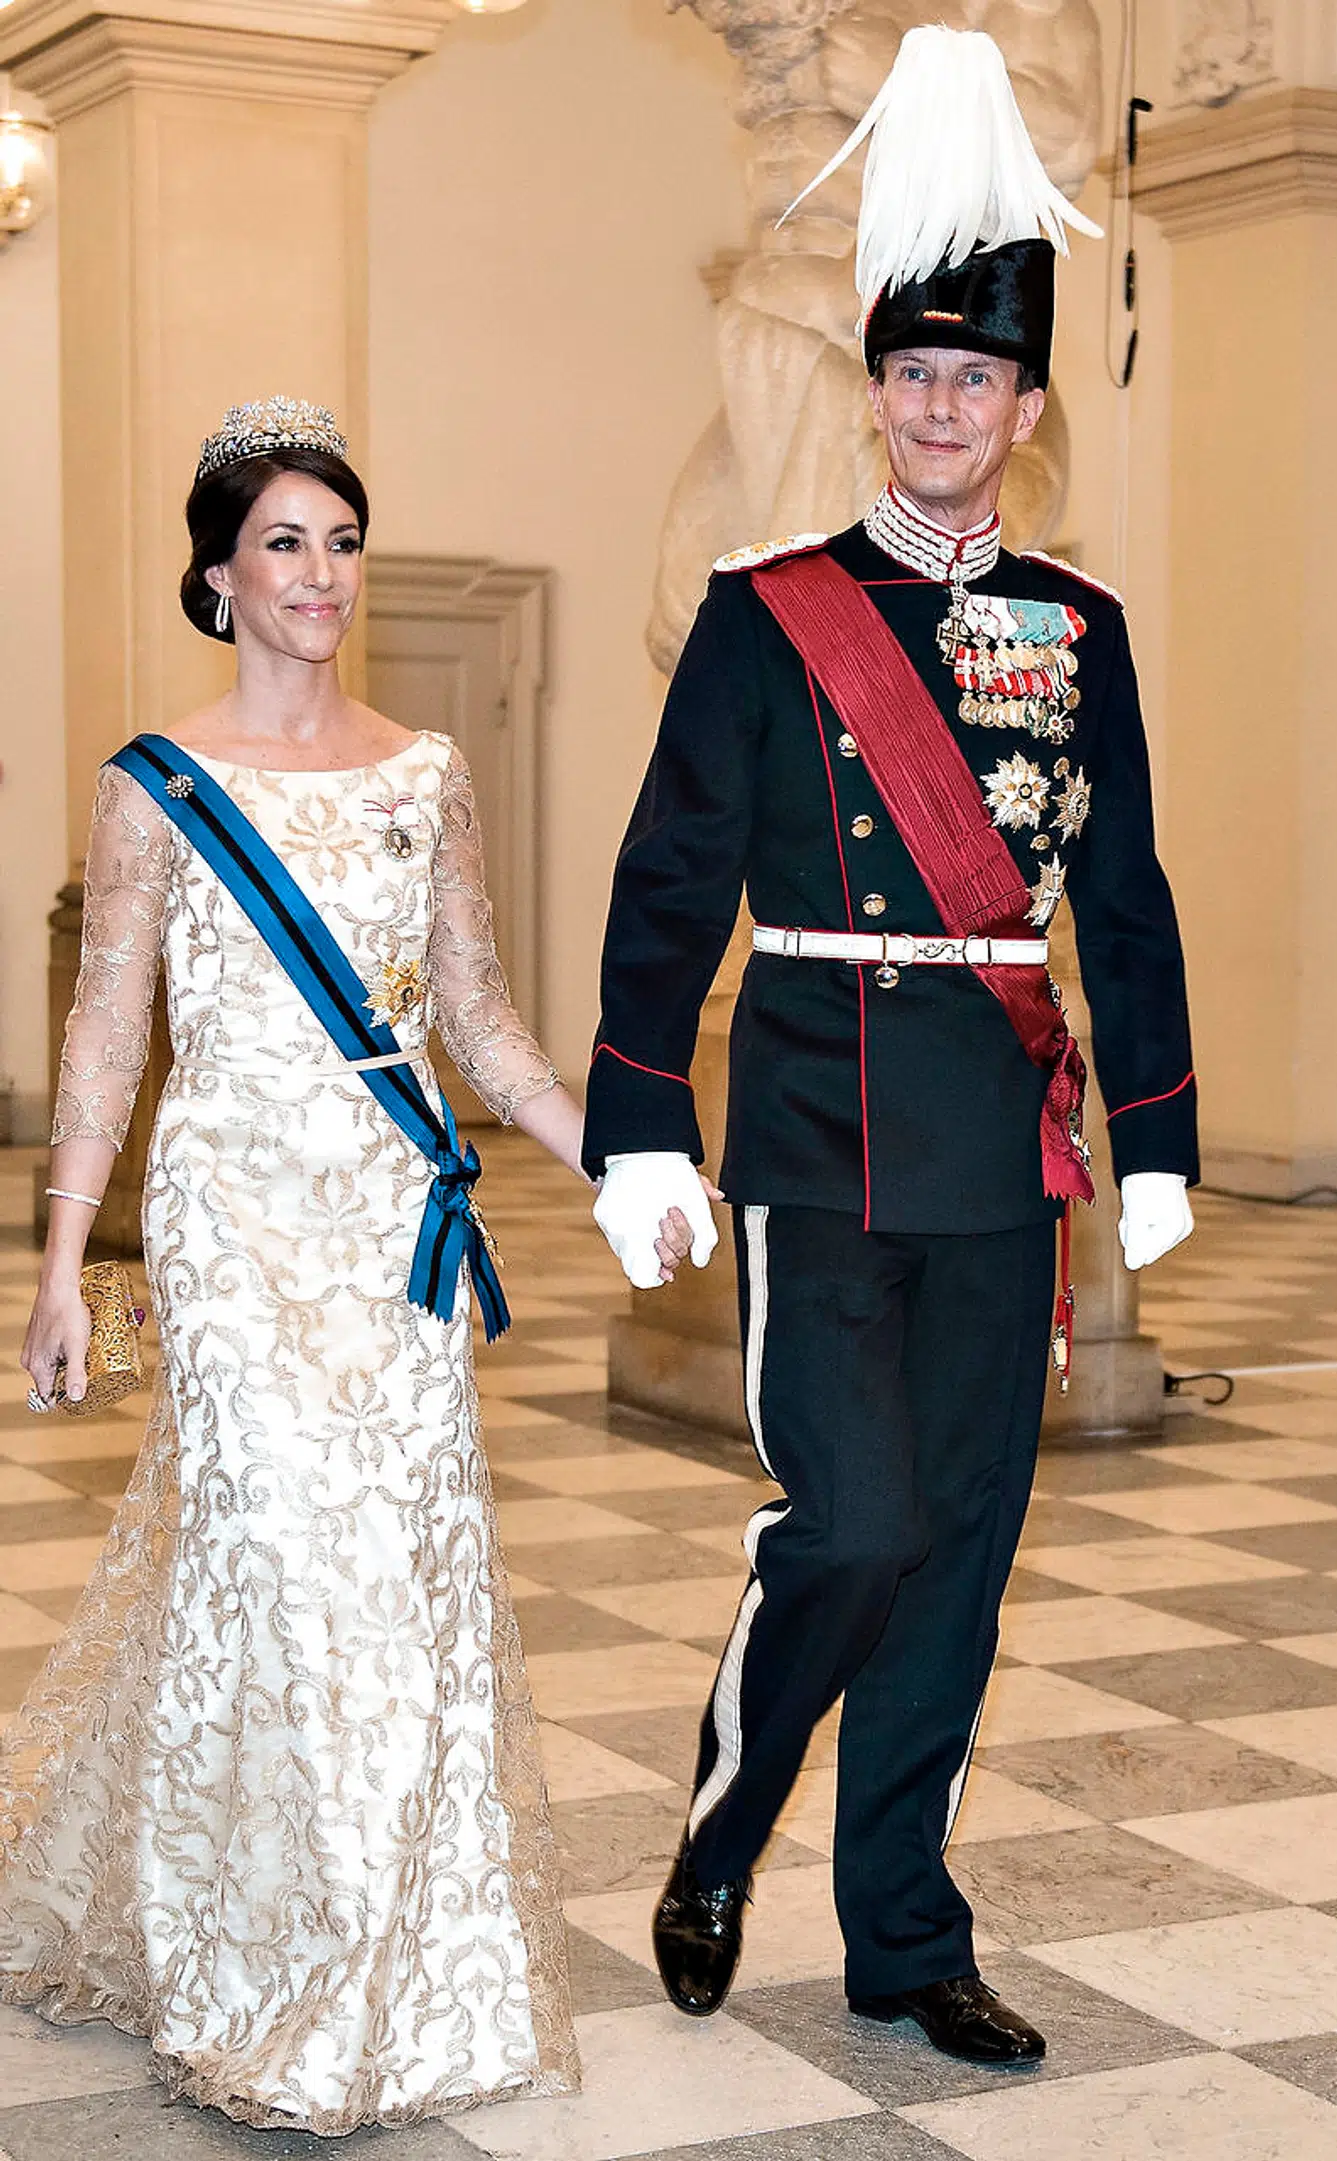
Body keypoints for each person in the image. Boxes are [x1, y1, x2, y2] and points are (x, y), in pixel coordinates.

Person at [586, 30, 1198, 2066]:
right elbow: (673, 879)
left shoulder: (1081, 630)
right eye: (914, 375)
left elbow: (1122, 892)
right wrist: (640, 1126)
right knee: (845, 1523)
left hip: (996, 1143)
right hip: (816, 1124)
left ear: (1025, 408)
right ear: (879, 396)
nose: (944, 408)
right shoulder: (770, 616)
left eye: (979, 379)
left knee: (959, 1555)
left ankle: (908, 1939)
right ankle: (725, 1817)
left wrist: (1167, 1133)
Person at [7, 398, 602, 2130]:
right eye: (284, 542)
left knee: (400, 1581)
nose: (321, 573)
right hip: (226, 1224)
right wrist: (63, 1271)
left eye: (342, 541)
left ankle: (397, 1968)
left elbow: (478, 1014)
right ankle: (267, 1981)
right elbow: (110, 1031)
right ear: (217, 575)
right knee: (279, 1572)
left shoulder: (429, 773)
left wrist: (614, 1153)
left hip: (392, 1217)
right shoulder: (154, 788)